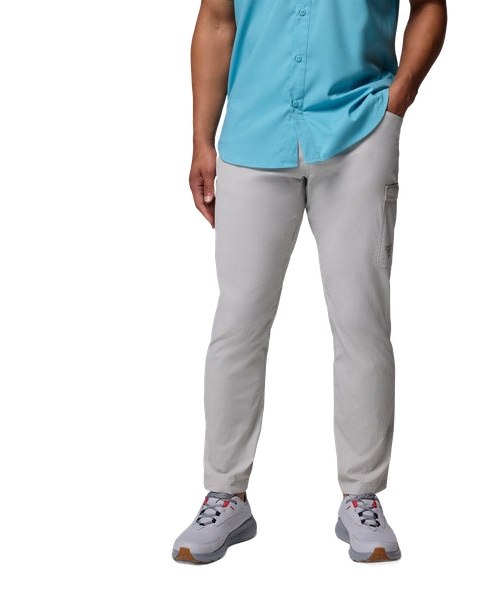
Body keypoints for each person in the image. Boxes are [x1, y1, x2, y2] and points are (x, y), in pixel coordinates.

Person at [173, 0, 447, 564]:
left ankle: (361, 496)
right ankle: (225, 495)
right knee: (238, 322)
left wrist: (397, 101)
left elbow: (430, 7)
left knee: (361, 319)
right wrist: (202, 136)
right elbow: (218, 19)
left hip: (358, 131)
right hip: (252, 136)